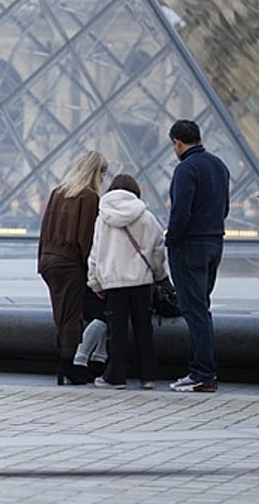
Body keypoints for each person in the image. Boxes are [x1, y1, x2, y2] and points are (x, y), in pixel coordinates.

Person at [164, 119, 230, 393]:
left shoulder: (185, 169)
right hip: (214, 243)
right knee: (202, 307)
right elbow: (224, 208)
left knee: (195, 310)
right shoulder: (219, 166)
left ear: (178, 143)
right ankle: (206, 369)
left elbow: (181, 212)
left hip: (190, 246)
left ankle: (202, 372)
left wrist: (171, 241)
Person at [86, 174, 166, 390]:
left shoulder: (103, 219)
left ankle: (115, 377)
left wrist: (95, 283)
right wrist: (159, 276)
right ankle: (147, 376)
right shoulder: (147, 217)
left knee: (116, 331)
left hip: (114, 283)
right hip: (141, 282)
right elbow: (158, 250)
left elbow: (95, 255)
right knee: (144, 330)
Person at [38, 150, 108, 385]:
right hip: (70, 263)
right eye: (103, 173)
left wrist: (41, 259)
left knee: (62, 313)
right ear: (95, 172)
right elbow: (87, 240)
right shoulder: (88, 197)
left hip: (49, 260)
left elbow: (44, 230)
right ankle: (68, 366)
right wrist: (94, 275)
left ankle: (67, 365)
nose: (104, 179)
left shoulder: (57, 192)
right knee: (72, 316)